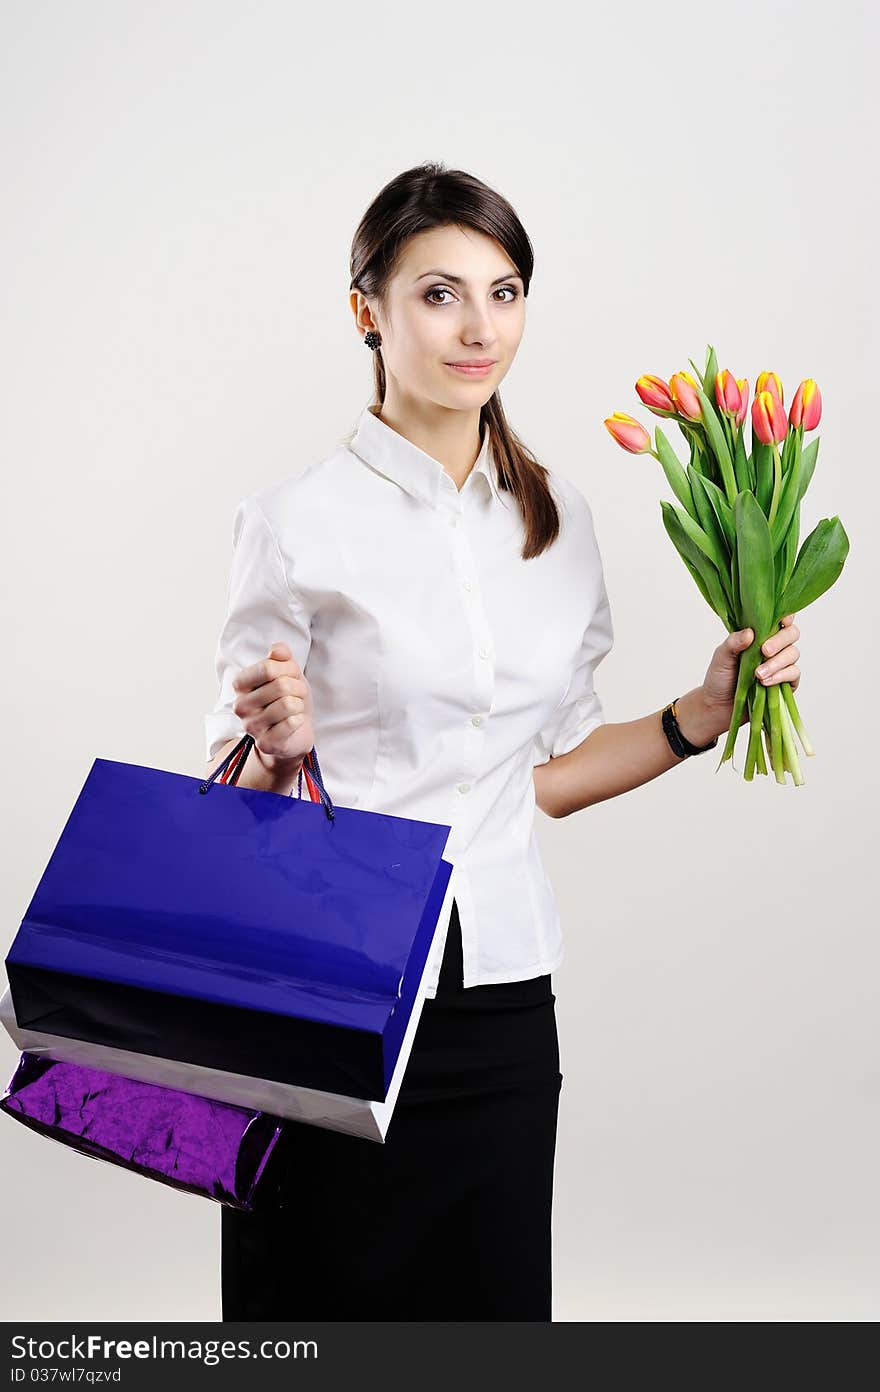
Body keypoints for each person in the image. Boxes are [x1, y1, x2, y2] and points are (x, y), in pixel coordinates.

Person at [204, 161, 802, 1321]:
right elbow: (225, 803)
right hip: (330, 992)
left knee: (492, 1326)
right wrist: (278, 751)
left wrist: (699, 715)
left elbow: (548, 782)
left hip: (500, 1009)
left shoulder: (560, 517)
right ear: (364, 310)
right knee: (312, 1317)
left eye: (506, 289)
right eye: (439, 294)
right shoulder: (292, 524)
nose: (480, 328)